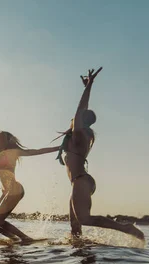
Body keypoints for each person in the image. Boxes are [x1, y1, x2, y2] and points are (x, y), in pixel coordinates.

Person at [56, 67, 144, 240]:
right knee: (75, 229)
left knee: (84, 219)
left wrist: (88, 87)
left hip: (81, 181)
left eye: (75, 120)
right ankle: (81, 260)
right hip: (79, 182)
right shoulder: (79, 138)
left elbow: (81, 109)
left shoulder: (81, 134)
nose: (72, 121)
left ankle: (125, 228)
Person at [0, 112, 59, 243]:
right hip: (7, 191)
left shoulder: (13, 152)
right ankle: (14, 239)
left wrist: (60, 147)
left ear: (3, 141)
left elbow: (37, 151)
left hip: (15, 190)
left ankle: (26, 239)